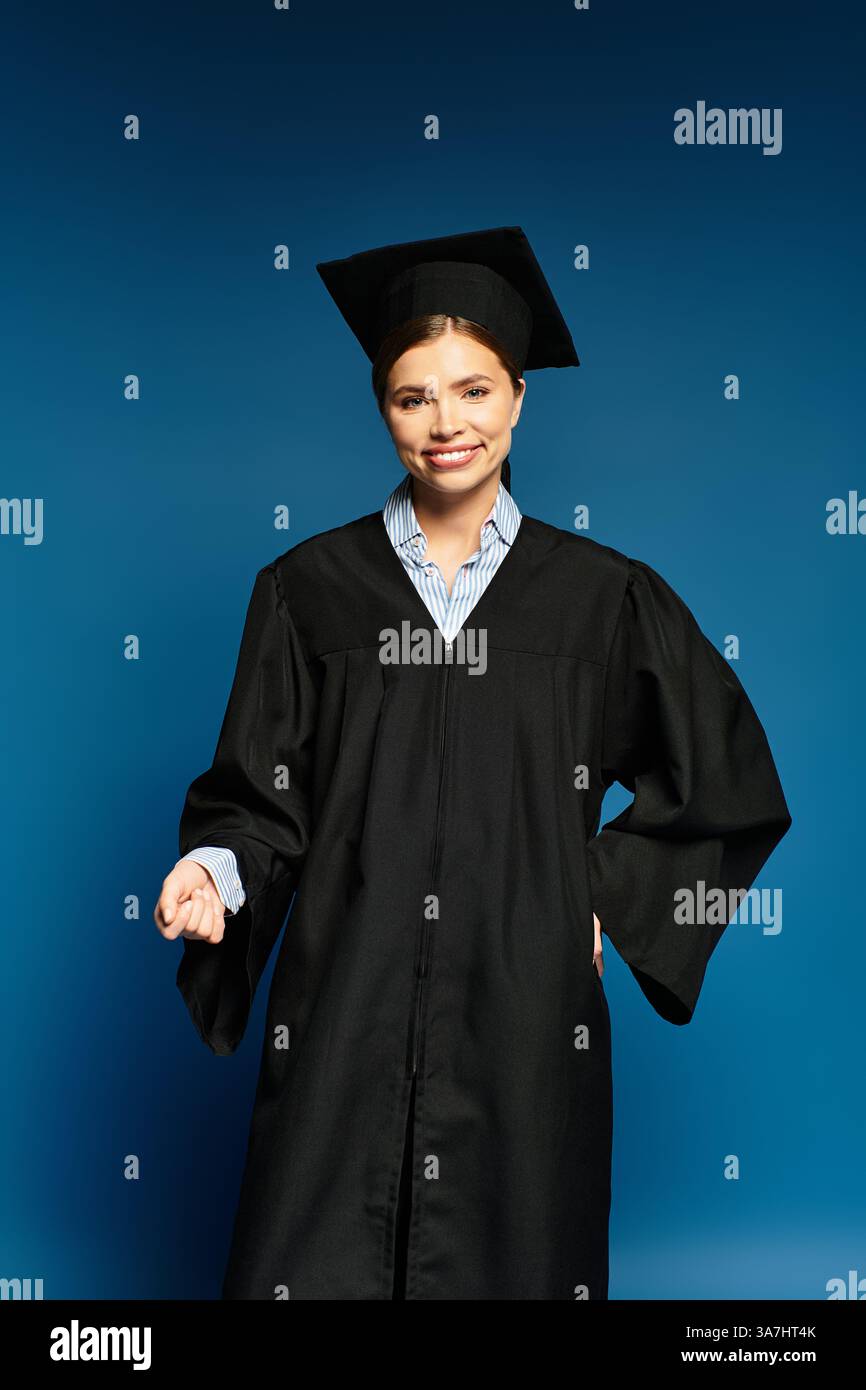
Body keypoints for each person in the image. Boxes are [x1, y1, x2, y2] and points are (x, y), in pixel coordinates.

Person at [154, 225, 792, 1301]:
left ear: (518, 398)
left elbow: (724, 782)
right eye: (412, 397)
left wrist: (602, 891)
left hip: (522, 1000)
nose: (445, 424)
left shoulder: (599, 596)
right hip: (343, 993)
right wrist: (213, 873)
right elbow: (260, 800)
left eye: (473, 391)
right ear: (380, 407)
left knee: (513, 1247)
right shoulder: (308, 589)